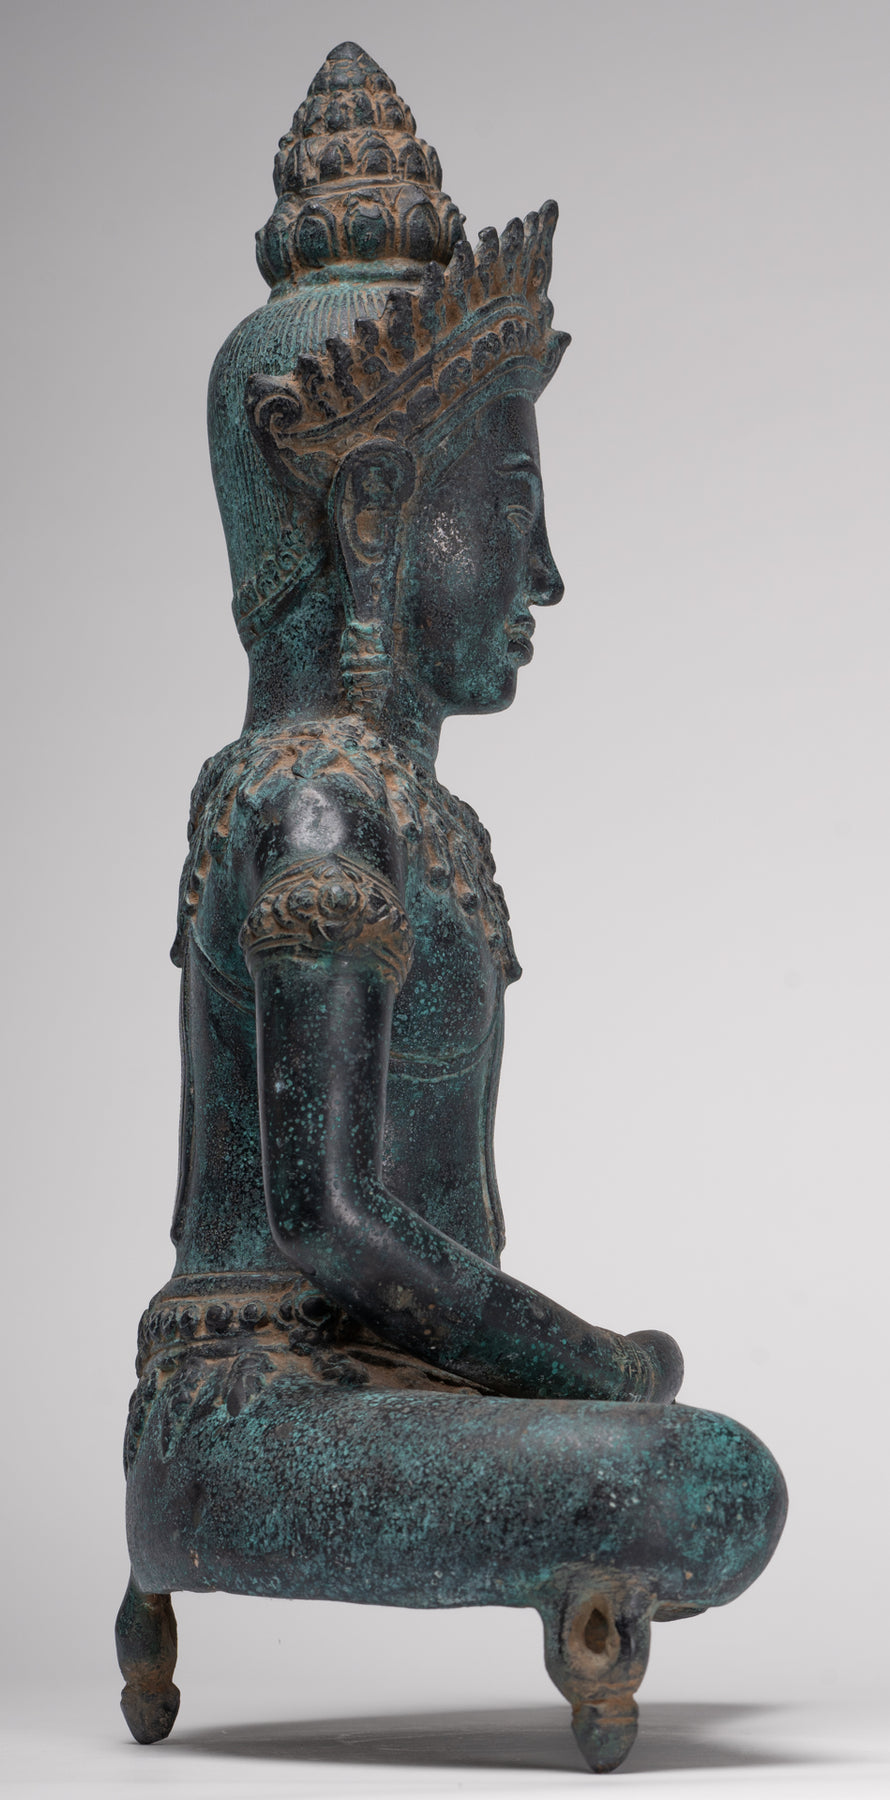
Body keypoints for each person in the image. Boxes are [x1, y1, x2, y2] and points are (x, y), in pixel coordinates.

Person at [118, 45, 785, 1770]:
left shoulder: (397, 809)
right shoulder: (318, 803)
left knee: (689, 1464)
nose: (542, 571)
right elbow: (332, 1225)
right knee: (706, 1481)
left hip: (379, 1389)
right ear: (376, 507)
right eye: (512, 506)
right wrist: (585, 1366)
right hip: (255, 1419)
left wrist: (555, 1366)